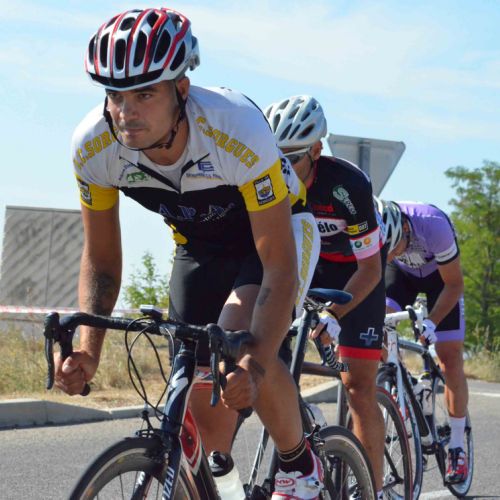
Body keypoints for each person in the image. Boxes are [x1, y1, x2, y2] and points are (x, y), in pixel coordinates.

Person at [56, 8, 322, 499]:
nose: (126, 112)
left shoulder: (234, 128)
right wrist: (89, 351)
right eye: (115, 94)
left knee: (239, 344)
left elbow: (278, 265)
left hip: (275, 238)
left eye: (145, 93)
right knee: (207, 430)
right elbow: (102, 261)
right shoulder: (94, 148)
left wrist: (254, 365)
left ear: (182, 89)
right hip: (198, 246)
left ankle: (299, 463)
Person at [265, 95, 387, 498]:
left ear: (316, 150)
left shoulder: (347, 185)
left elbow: (371, 269)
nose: (283, 169)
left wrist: (334, 314)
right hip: (308, 264)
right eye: (276, 158)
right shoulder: (265, 179)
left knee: (358, 387)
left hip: (356, 272)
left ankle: (370, 489)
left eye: (292, 159)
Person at [378, 199, 469, 483]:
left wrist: (431, 322)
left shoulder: (433, 226)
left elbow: (455, 284)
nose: (393, 254)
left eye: (396, 248)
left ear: (406, 229)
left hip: (440, 280)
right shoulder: (382, 236)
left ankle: (457, 446)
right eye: (388, 251)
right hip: (401, 277)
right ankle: (407, 383)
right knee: (379, 327)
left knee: (449, 356)